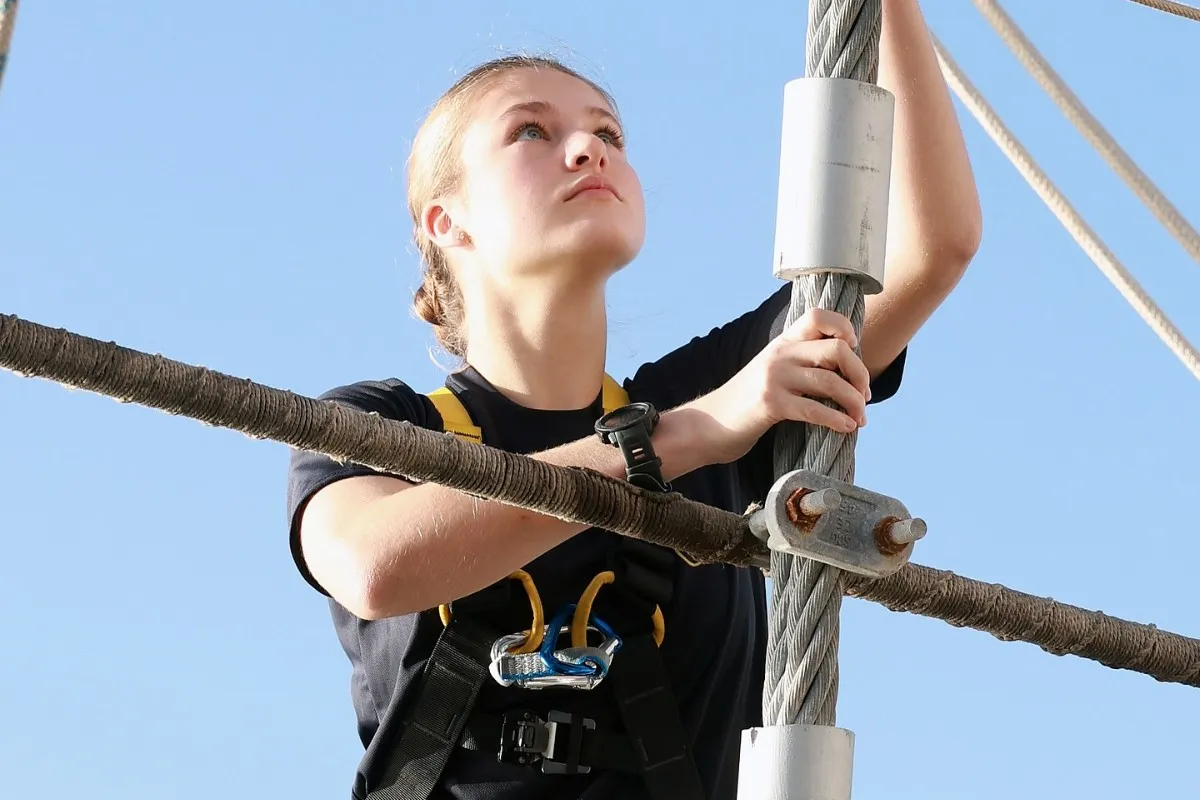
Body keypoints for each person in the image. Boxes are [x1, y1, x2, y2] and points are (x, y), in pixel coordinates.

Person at [285, 3, 981, 798]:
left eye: (609, 135)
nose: (589, 148)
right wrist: (687, 437)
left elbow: (929, 248)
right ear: (447, 221)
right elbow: (375, 567)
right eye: (532, 132)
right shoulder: (381, 426)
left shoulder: (716, 392)